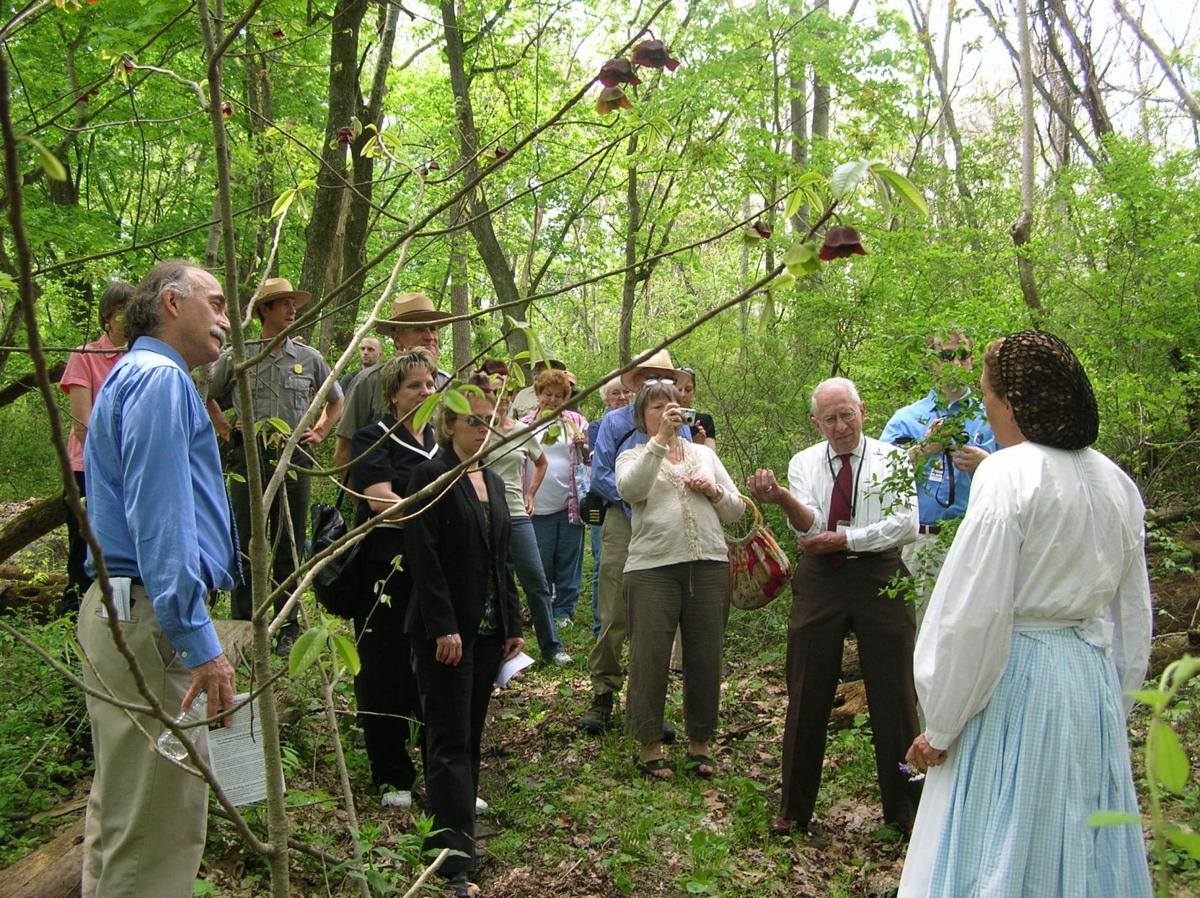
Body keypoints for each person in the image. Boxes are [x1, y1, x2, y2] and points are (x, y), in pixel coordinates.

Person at [897, 332, 1153, 898]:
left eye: (988, 395)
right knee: (1076, 838)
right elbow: (1133, 619)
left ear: (1012, 403)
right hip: (1090, 683)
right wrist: (1117, 703)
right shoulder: (1117, 483)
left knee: (1002, 834)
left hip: (1017, 681)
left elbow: (972, 613)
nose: (984, 406)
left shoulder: (1009, 474)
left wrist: (939, 723)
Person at [78, 259, 238, 897]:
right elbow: (162, 522)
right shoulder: (160, 381)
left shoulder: (135, 376)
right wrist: (201, 644)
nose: (228, 320)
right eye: (219, 303)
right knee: (155, 834)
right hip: (150, 621)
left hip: (129, 613)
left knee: (125, 820)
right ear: (173, 303)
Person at [749, 377, 920, 839]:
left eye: (848, 414)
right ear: (816, 422)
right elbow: (809, 522)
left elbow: (906, 522)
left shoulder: (890, 459)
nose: (841, 426)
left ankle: (907, 811)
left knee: (896, 694)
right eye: (831, 419)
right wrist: (783, 498)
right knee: (807, 689)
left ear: (863, 410)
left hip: (880, 573)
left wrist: (849, 538)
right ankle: (794, 808)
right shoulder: (804, 461)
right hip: (822, 577)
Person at [405, 388, 524, 898]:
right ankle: (450, 861)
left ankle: (461, 838)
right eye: (472, 420)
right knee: (448, 740)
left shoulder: (493, 481)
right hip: (446, 633)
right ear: (449, 425)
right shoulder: (428, 478)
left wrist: (514, 623)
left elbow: (503, 558)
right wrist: (443, 626)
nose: (482, 428)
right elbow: (423, 559)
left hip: (487, 631)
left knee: (470, 737)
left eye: (488, 420)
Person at [207, 277, 343, 651]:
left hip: (294, 458)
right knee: (249, 543)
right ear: (264, 310)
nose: (291, 309)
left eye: (292, 303)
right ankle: (246, 624)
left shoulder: (308, 358)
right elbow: (209, 395)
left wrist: (319, 431)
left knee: (289, 541)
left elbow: (336, 401)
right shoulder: (240, 355)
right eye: (282, 303)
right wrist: (224, 429)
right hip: (248, 458)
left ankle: (287, 627)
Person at [616, 382, 744, 779]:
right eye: (657, 407)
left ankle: (700, 743)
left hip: (708, 563)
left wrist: (715, 490)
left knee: (706, 655)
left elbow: (736, 511)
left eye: (673, 405)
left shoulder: (704, 454)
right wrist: (659, 442)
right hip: (652, 567)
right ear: (643, 416)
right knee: (649, 656)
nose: (668, 412)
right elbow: (630, 489)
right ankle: (649, 746)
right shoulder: (633, 454)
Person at [580, 349, 692, 734]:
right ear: (635, 381)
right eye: (647, 376)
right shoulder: (615, 422)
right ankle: (603, 694)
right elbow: (601, 476)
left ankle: (648, 706)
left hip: (664, 525)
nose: (654, 383)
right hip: (622, 521)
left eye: (662, 377)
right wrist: (635, 503)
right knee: (614, 611)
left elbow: (687, 466)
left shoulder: (682, 424)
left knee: (656, 617)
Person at [348, 348, 440, 810]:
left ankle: (442, 769)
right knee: (384, 667)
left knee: (438, 665)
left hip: (437, 571)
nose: (425, 392)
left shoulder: (446, 441)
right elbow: (381, 500)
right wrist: (435, 520)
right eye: (414, 386)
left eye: (430, 384)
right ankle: (392, 775)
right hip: (387, 568)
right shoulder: (373, 439)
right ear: (393, 395)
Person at [880, 329, 994, 615]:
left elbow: (1021, 475)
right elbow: (879, 477)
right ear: (929, 362)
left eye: (964, 355)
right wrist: (923, 449)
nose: (957, 364)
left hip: (979, 540)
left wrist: (987, 463)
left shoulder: (992, 415)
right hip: (923, 542)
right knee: (920, 632)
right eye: (946, 356)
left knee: (976, 630)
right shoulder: (906, 419)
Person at [482, 374, 571, 665]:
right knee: (489, 582)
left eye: (507, 393)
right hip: (484, 514)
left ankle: (551, 646)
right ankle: (494, 648)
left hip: (517, 514)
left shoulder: (523, 431)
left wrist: (530, 493)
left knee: (535, 579)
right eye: (496, 392)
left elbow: (541, 462)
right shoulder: (478, 431)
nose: (503, 397)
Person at [58, 280, 134, 614]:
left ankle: (114, 623)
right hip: (88, 469)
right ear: (108, 317)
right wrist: (109, 464)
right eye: (123, 313)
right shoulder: (85, 355)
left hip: (132, 469)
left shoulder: (141, 358)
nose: (129, 319)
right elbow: (81, 424)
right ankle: (73, 621)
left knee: (122, 551)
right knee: (84, 548)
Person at [332, 293, 452, 473]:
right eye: (419, 329)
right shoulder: (369, 381)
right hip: (381, 493)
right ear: (397, 339)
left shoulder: (447, 384)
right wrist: (364, 500)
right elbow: (344, 454)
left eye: (433, 328)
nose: (430, 336)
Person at [522, 369, 589, 629]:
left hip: (569, 502)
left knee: (568, 559)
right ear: (538, 394)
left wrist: (583, 446)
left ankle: (564, 610)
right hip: (537, 504)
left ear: (566, 397)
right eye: (547, 394)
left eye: (558, 396)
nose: (552, 400)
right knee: (541, 559)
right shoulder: (525, 426)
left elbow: (588, 458)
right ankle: (544, 606)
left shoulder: (575, 422)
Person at [586, 378, 635, 636]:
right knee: (606, 567)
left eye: (626, 391)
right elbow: (599, 473)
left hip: (651, 516)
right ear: (606, 398)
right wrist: (631, 497)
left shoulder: (670, 422)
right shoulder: (601, 425)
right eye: (615, 393)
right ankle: (602, 628)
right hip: (613, 508)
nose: (622, 397)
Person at [510, 354, 566, 420]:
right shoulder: (522, 395)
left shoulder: (563, 394)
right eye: (534, 366)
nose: (536, 369)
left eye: (541, 366)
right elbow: (511, 422)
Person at [677, 366, 717, 450]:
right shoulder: (659, 418)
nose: (683, 394)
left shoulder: (704, 421)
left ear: (694, 391)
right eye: (678, 389)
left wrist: (698, 446)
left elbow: (711, 459)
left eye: (688, 389)